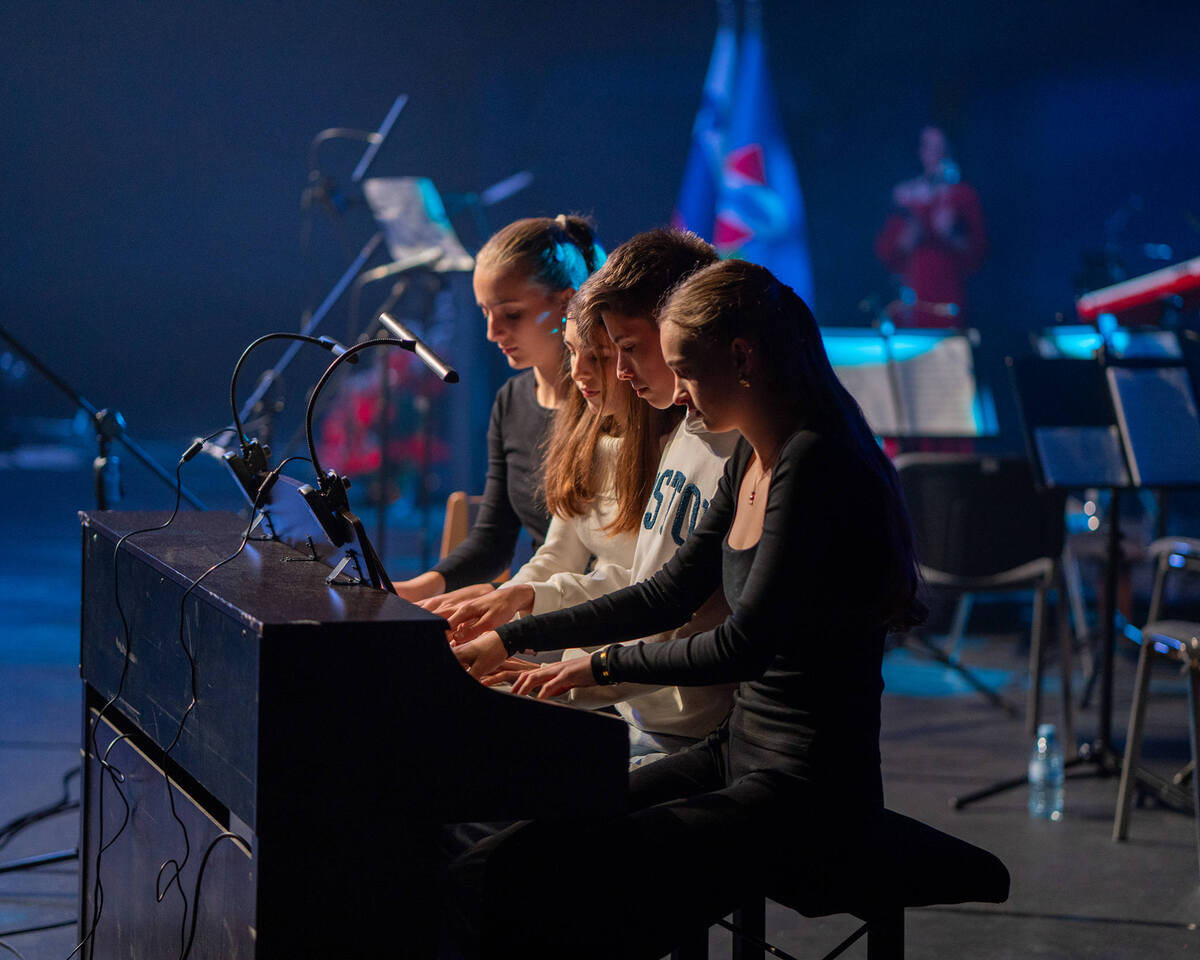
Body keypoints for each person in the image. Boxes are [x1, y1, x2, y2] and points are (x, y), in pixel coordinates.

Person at [446, 259, 926, 958]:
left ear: (742, 358)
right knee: (506, 856)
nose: (680, 400)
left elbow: (742, 645)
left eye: (687, 372)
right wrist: (514, 635)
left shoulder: (816, 463)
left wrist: (598, 667)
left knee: (554, 880)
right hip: (736, 756)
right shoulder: (750, 459)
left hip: (807, 790)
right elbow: (664, 593)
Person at [449, 228, 739, 762]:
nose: (583, 374)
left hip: (675, 722)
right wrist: (516, 606)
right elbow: (619, 579)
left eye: (614, 353)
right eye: (575, 353)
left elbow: (667, 606)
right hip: (628, 702)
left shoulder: (717, 444)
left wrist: (556, 664)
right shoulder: (648, 433)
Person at [391, 215, 604, 604]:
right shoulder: (512, 400)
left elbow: (605, 565)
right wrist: (408, 590)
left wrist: (499, 599)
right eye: (486, 312)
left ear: (566, 303)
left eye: (512, 314)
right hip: (537, 598)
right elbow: (492, 541)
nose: (493, 332)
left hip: (586, 607)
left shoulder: (606, 402)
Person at [438, 299, 676, 638]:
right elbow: (558, 556)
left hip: (630, 646)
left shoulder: (673, 450)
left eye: (599, 357)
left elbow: (649, 586)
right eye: (571, 352)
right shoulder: (587, 437)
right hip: (590, 639)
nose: (576, 372)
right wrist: (502, 608)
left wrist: (523, 605)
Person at [874, 126, 987, 327]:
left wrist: (949, 235)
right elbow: (887, 252)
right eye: (928, 146)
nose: (934, 153)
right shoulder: (906, 197)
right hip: (911, 298)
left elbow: (978, 252)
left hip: (948, 297)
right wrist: (909, 234)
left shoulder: (961, 196)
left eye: (940, 147)